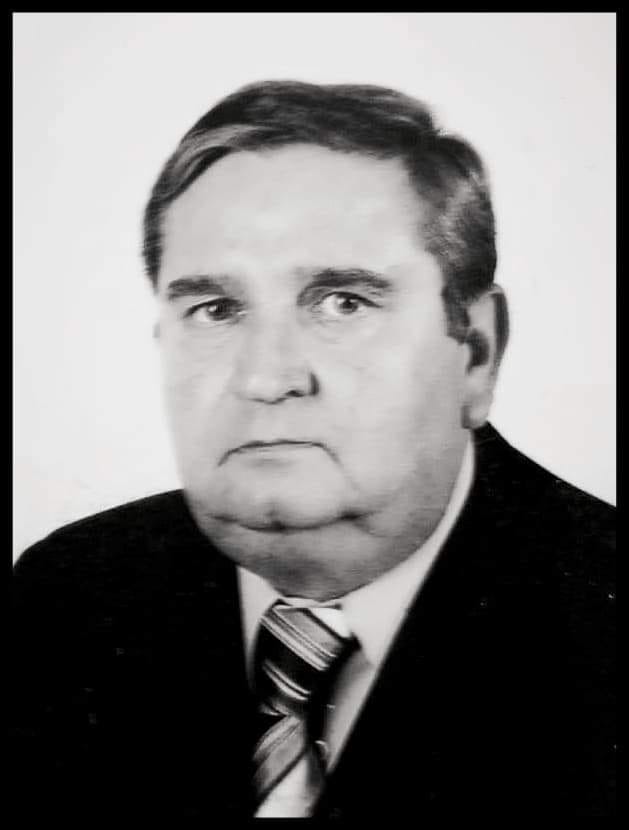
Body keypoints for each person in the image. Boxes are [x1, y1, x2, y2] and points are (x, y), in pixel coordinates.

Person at [11, 80, 615, 820]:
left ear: (477, 352)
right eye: (216, 309)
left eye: (344, 303)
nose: (267, 378)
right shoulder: (65, 598)